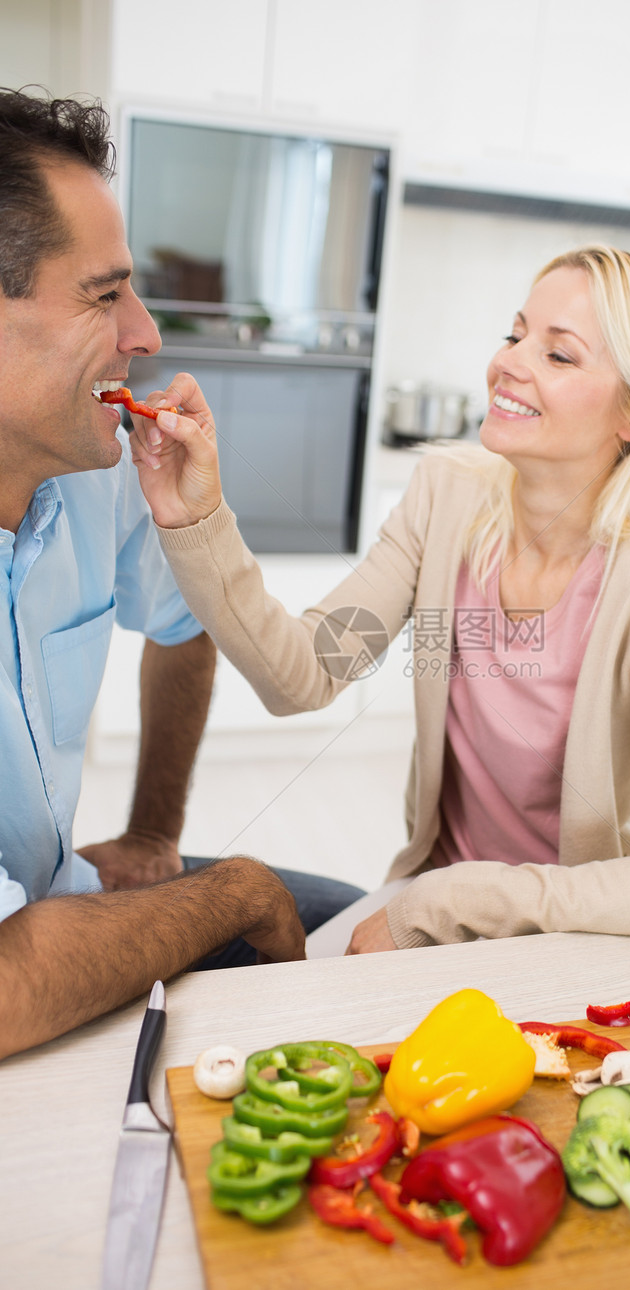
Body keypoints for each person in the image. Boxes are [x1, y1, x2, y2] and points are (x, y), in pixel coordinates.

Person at [129, 244, 630, 956]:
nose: (509, 362)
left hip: (576, 938)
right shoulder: (445, 496)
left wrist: (458, 900)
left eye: (560, 356)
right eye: (516, 334)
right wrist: (195, 520)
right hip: (429, 903)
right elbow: (303, 672)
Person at [0, 88, 362, 1060]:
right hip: (17, 982)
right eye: (103, 293)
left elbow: (180, 625)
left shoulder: (93, 472)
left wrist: (156, 833)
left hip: (59, 899)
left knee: (366, 928)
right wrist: (229, 892)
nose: (147, 333)